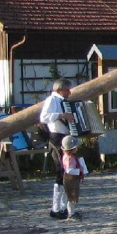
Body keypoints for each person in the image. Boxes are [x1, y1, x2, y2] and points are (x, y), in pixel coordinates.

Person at [39, 78, 77, 220]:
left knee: (68, 171)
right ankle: (55, 207)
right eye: (67, 89)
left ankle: (63, 206)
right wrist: (61, 115)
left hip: (65, 137)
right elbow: (44, 117)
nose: (69, 92)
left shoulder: (64, 102)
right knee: (60, 171)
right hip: (56, 137)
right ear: (59, 89)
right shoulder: (52, 100)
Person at [59, 134, 89, 220]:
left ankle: (69, 211)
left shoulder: (68, 157)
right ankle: (70, 213)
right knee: (71, 196)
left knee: (70, 196)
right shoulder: (70, 159)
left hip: (71, 179)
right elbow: (69, 170)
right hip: (70, 179)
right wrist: (80, 170)